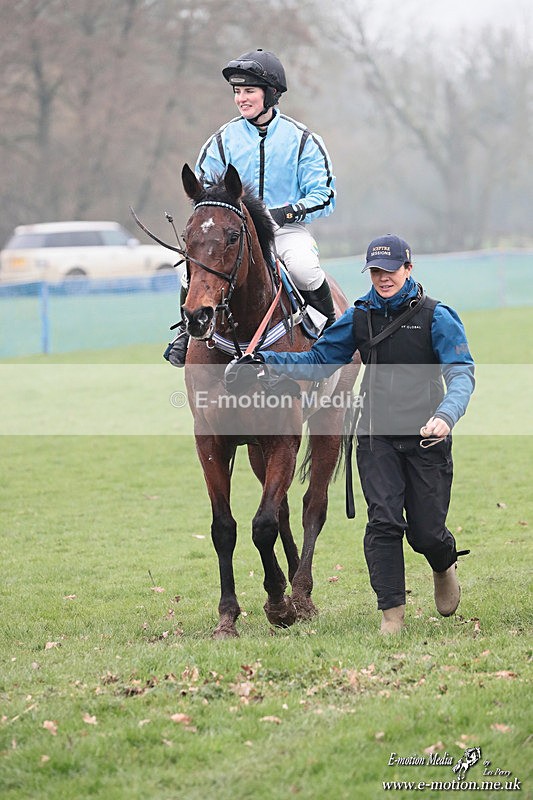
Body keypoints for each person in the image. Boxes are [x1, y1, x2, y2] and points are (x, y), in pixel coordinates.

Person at [226, 234, 475, 634]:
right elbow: (319, 359)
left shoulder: (437, 316)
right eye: (375, 271)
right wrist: (265, 360)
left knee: (426, 532)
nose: (383, 278)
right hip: (376, 437)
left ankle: (443, 564)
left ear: (408, 269)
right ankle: (392, 615)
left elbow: (461, 372)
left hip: (427, 436)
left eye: (390, 270)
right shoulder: (359, 317)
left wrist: (446, 415)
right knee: (383, 523)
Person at [165, 48, 337, 366]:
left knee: (303, 267)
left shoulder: (303, 140)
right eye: (237, 92)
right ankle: (188, 335)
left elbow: (324, 195)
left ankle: (333, 334)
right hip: (231, 232)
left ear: (270, 94)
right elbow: (203, 196)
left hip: (285, 230)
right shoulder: (221, 141)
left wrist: (285, 213)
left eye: (249, 91)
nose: (241, 99)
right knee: (187, 273)